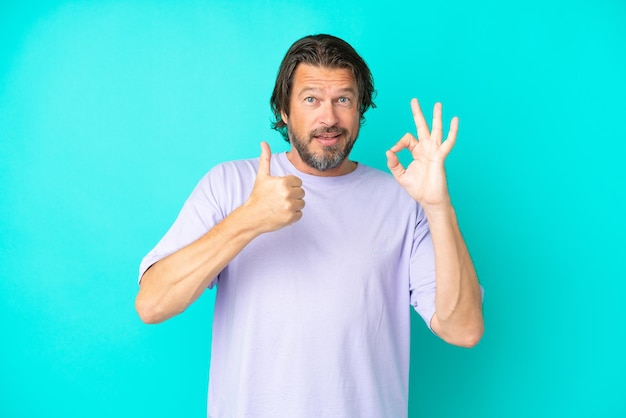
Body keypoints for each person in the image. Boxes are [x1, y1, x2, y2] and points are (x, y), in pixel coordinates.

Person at [136, 34, 483, 418]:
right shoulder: (229, 185)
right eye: (311, 99)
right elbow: (152, 304)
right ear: (284, 110)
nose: (329, 118)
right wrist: (248, 220)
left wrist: (438, 206)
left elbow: (463, 329)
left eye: (343, 100)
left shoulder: (403, 201)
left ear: (360, 109)